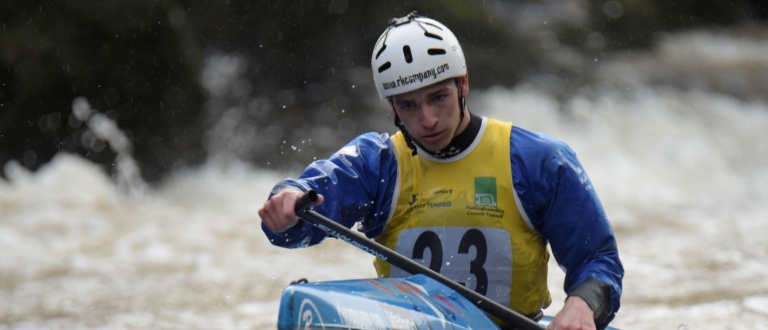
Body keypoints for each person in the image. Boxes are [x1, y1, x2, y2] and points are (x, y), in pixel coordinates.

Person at [259, 12, 623, 330]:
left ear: (462, 85)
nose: (427, 119)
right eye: (409, 106)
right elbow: (310, 201)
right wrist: (288, 203)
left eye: (438, 97)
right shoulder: (379, 164)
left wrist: (582, 305)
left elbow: (598, 261)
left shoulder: (535, 160)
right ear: (392, 108)